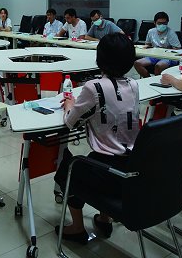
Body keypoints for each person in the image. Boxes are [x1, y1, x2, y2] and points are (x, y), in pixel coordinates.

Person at [54, 33, 140, 243]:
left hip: (108, 173)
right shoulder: (134, 85)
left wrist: (69, 104)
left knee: (68, 168)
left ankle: (77, 227)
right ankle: (104, 218)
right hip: (132, 168)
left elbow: (71, 122)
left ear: (100, 58)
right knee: (93, 160)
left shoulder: (94, 87)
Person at [133, 11, 181, 77]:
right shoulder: (151, 31)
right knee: (137, 63)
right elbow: (147, 44)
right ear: (154, 23)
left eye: (164, 23)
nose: (162, 25)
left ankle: (157, 82)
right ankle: (148, 79)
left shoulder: (171, 33)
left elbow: (177, 49)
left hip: (168, 57)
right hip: (155, 55)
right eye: (159, 23)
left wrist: (165, 50)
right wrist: (145, 47)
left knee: (158, 66)